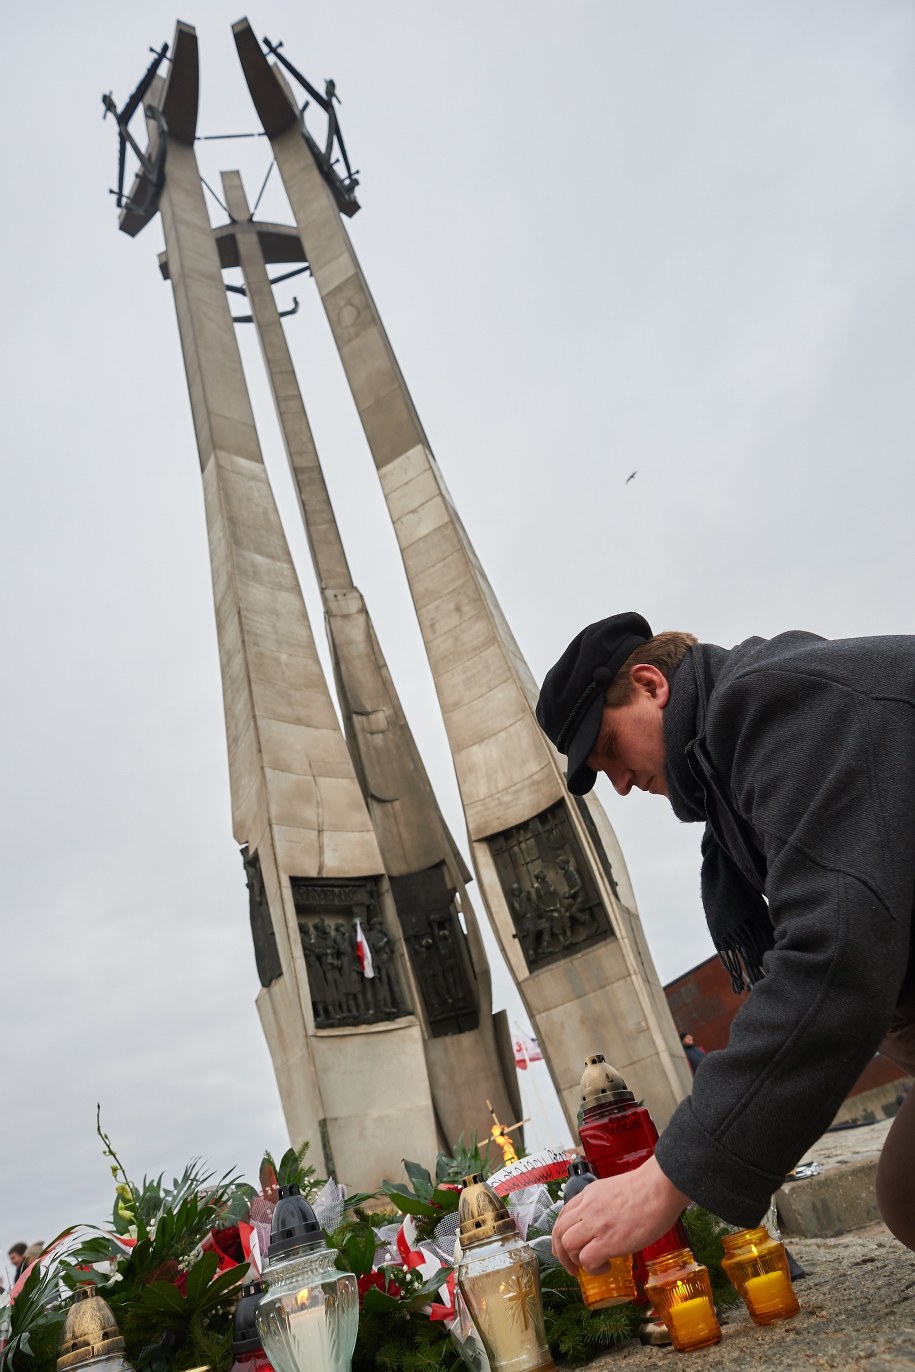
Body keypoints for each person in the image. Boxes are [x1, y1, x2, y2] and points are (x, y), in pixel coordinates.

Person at [535, 611, 915, 1272]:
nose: (619, 783)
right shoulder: (733, 771)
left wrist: (667, 1178)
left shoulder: (781, 706)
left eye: (610, 751)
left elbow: (833, 952)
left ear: (652, 685)